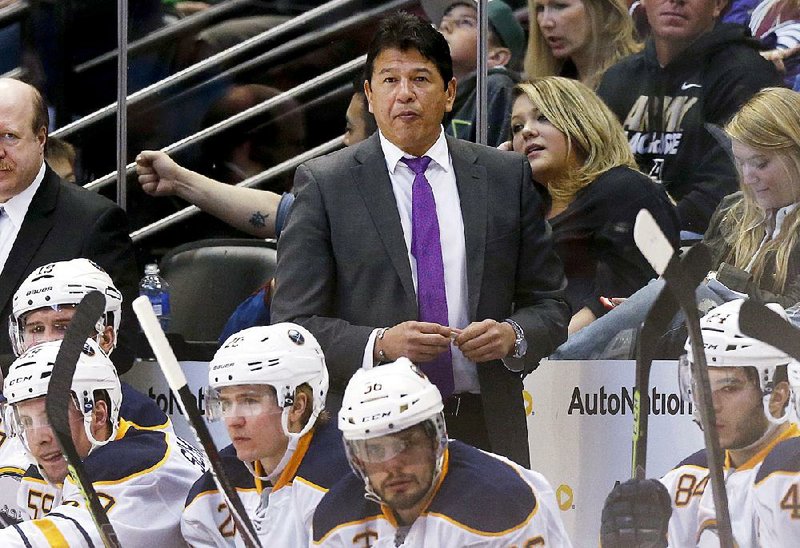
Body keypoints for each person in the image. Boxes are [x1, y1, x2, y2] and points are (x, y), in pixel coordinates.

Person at [270, 11, 570, 466]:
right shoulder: (325, 184)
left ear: (450, 93)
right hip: (374, 423)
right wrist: (380, 343)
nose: (405, 94)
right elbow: (293, 326)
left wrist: (513, 333)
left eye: (421, 79)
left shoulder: (504, 176)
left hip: (486, 424)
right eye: (389, 80)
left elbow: (550, 304)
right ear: (369, 96)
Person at [553, 86, 800, 358]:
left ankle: (557, 358)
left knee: (678, 292)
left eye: (760, 163)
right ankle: (561, 363)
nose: (748, 176)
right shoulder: (734, 210)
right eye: (741, 163)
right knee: (644, 314)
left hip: (775, 348)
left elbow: (793, 314)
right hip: (710, 339)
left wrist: (719, 282)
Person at [600, 299, 798, 546]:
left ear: (777, 397)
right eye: (702, 386)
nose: (710, 404)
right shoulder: (685, 478)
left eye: (728, 388)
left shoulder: (791, 477)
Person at [312, 358, 572, 546]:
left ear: (437, 440)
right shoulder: (334, 517)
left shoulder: (501, 505)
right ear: (357, 460)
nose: (393, 465)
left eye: (406, 444)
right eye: (375, 450)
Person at [596, 0, 782, 235]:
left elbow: (730, 186)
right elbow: (592, 173)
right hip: (621, 239)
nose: (676, 0)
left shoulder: (745, 74)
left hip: (705, 243)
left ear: (717, 5)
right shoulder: (618, 79)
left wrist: (645, 234)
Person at [509, 77, 679, 333]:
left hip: (597, 359)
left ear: (583, 122)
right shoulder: (524, 208)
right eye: (516, 127)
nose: (527, 131)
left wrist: (540, 346)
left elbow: (630, 290)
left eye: (543, 117)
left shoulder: (624, 189)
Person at [0, 338, 205, 545]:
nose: (39, 438)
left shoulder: (141, 470)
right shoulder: (45, 474)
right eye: (26, 422)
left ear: (97, 415)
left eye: (52, 418)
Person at [0, 77, 139, 373]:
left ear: (41, 139)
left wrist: (7, 373)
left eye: (9, 136)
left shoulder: (92, 221)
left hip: (38, 411)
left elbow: (119, 346)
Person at [181, 323, 350, 546]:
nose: (233, 420)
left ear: (297, 406)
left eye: (249, 401)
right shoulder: (218, 484)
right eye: (225, 403)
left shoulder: (344, 482)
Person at [135, 87, 377, 240]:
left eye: (350, 129)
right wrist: (178, 179)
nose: (343, 141)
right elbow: (276, 211)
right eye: (295, 143)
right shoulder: (337, 204)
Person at [422, 0, 525, 146]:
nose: (445, 26)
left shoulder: (497, 87)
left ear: (496, 56)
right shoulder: (433, 97)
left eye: (465, 22)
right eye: (443, 22)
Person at [525, 0, 640, 89]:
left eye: (560, 6)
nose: (545, 23)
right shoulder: (545, 86)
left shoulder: (641, 77)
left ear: (603, 9)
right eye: (540, 8)